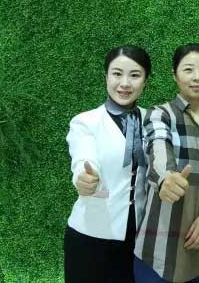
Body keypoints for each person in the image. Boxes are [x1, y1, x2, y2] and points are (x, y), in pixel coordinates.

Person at [64, 45, 152, 283]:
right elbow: (83, 158)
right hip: (91, 238)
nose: (125, 83)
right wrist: (84, 178)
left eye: (135, 75)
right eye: (117, 74)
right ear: (106, 77)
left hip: (139, 241)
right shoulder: (86, 122)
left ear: (145, 81)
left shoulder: (154, 120)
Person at [133, 44, 199, 283]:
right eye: (188, 69)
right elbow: (158, 145)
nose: (197, 77)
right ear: (175, 74)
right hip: (157, 244)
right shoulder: (160, 113)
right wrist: (166, 178)